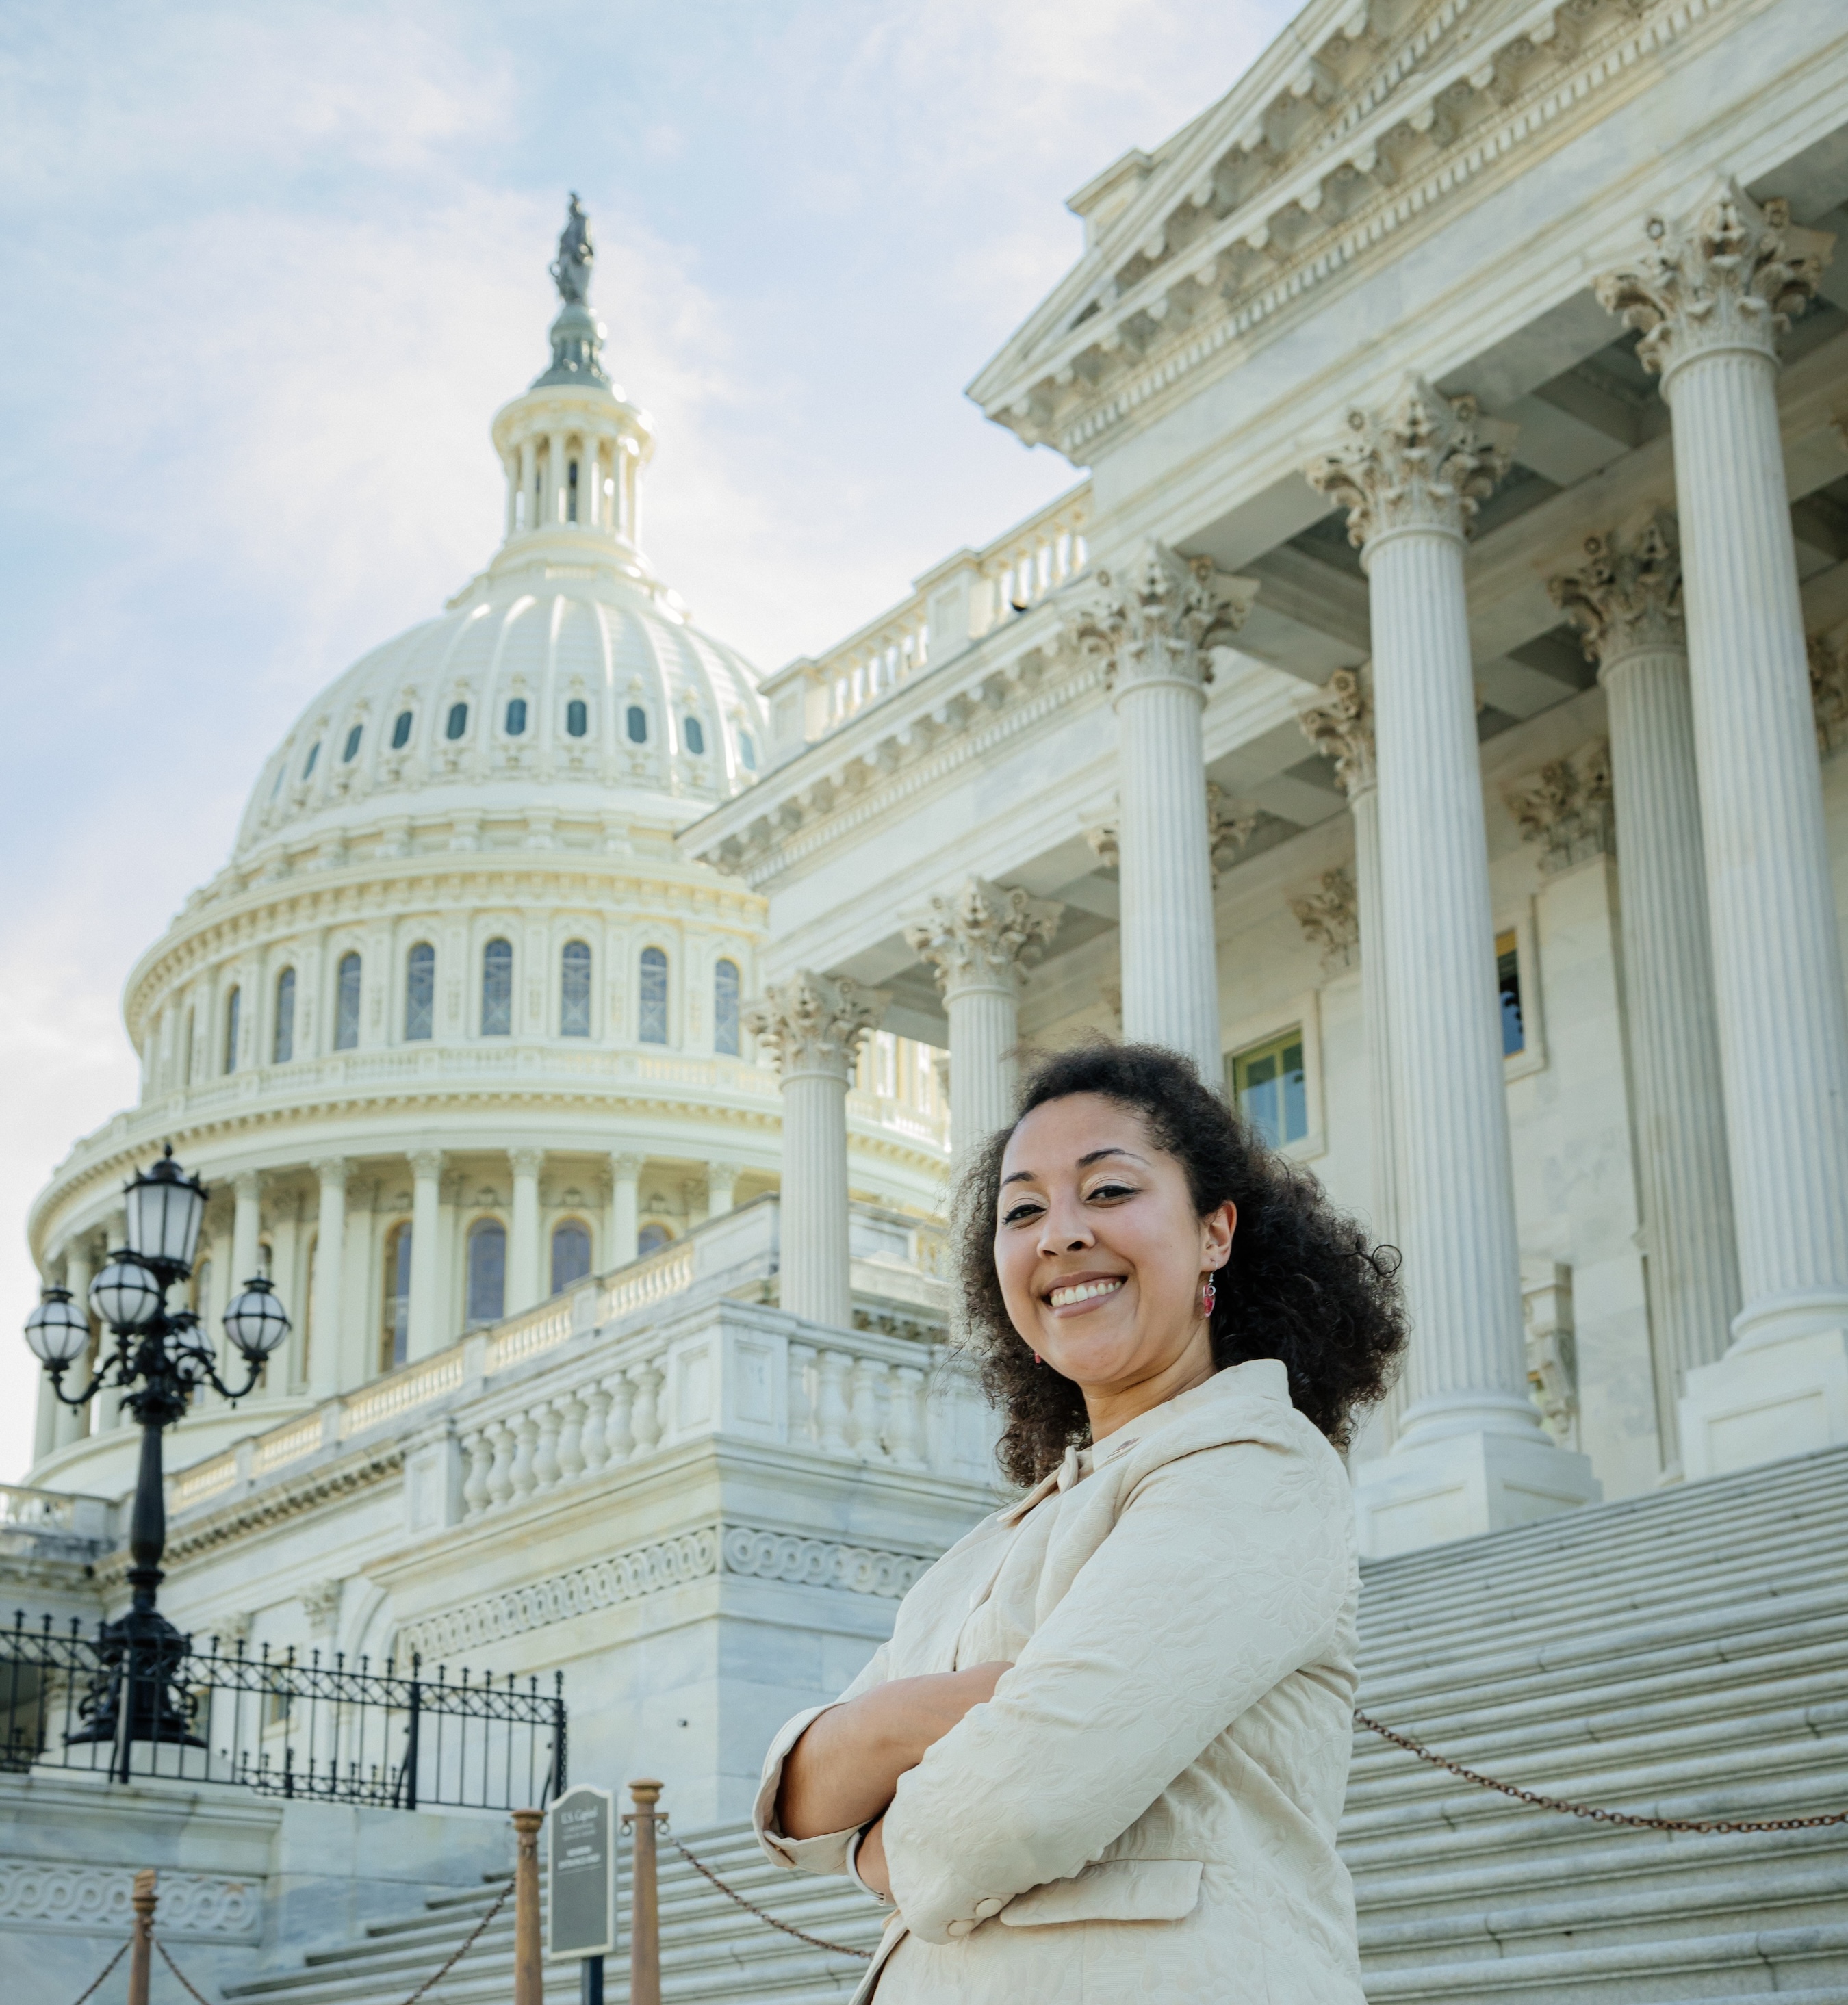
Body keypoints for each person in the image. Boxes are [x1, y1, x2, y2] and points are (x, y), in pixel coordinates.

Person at [754, 1042, 1407, 2002]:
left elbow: (1015, 1800)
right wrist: (963, 1704)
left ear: (1216, 1231)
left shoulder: (1257, 1464)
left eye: (1107, 1191)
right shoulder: (998, 1540)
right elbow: (800, 1797)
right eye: (1024, 1209)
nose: (1060, 1234)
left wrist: (881, 1834)